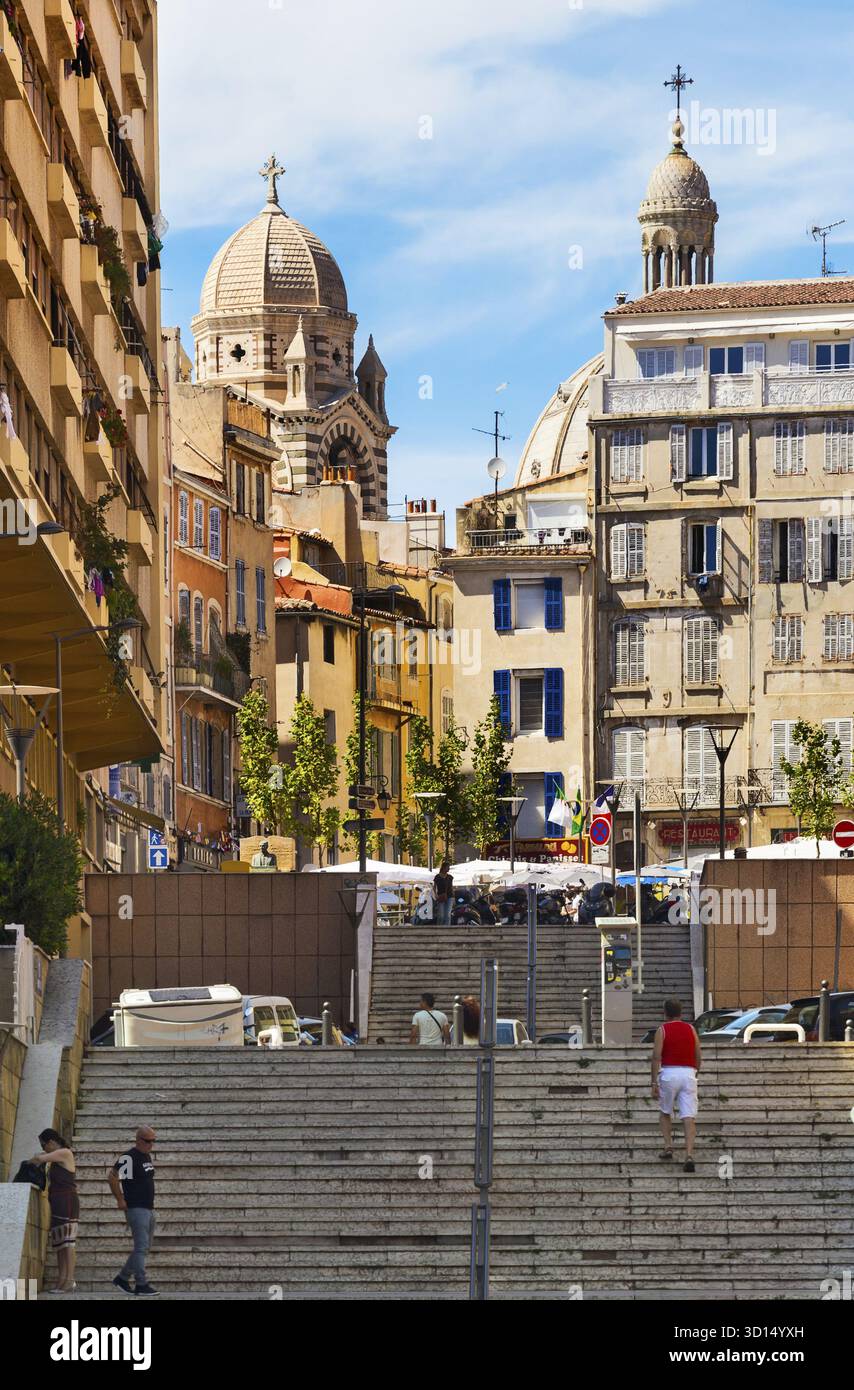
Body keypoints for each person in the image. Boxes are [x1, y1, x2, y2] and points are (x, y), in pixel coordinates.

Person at [651, 999, 702, 1173]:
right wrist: (696, 1071)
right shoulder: (691, 1029)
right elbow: (698, 1053)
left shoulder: (662, 1030)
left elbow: (656, 1057)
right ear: (681, 1012)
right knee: (688, 1116)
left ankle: (668, 1146)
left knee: (665, 1112)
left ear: (665, 1012)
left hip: (669, 1073)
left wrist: (653, 1082)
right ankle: (689, 1154)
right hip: (688, 1073)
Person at [107, 1125, 158, 1296]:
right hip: (136, 1207)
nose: (151, 1144)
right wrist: (120, 1199)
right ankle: (141, 1284)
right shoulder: (129, 1157)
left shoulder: (146, 1156)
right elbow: (113, 1176)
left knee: (144, 1248)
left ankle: (122, 1278)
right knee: (141, 1247)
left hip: (148, 1208)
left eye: (153, 1141)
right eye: (147, 1141)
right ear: (138, 1140)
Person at [30, 1129, 78, 1292]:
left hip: (67, 1201)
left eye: (44, 1145)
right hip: (57, 1201)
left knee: (68, 1242)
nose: (44, 1148)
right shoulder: (57, 1156)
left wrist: (34, 1159)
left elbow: (38, 1159)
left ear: (51, 1142)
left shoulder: (64, 1153)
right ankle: (61, 1281)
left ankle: (69, 1280)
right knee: (60, 1244)